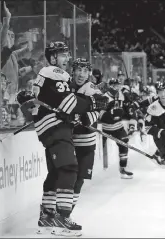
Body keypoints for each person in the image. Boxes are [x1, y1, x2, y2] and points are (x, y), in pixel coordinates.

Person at [17, 42, 108, 237]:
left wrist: (82, 112)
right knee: (69, 169)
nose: (66, 58)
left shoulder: (50, 74)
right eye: (63, 55)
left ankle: (47, 217)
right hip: (55, 127)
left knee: (57, 173)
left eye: (67, 55)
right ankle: (62, 218)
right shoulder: (56, 73)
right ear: (52, 58)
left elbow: (64, 104)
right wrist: (90, 103)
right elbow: (69, 104)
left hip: (52, 128)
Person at [70, 58, 102, 213]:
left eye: (84, 71)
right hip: (68, 140)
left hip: (86, 142)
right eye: (78, 70)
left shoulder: (91, 88)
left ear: (89, 73)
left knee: (79, 178)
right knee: (67, 176)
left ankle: (67, 212)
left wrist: (86, 118)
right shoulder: (66, 86)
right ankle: (58, 210)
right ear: (73, 71)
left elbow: (102, 105)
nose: (81, 74)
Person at [99, 78, 134, 179]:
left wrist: (130, 101)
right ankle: (102, 169)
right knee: (101, 147)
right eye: (114, 86)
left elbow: (127, 109)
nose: (117, 87)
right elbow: (100, 114)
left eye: (118, 85)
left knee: (124, 143)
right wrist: (110, 114)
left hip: (118, 126)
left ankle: (122, 169)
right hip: (106, 127)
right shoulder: (104, 97)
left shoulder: (121, 95)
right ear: (110, 86)